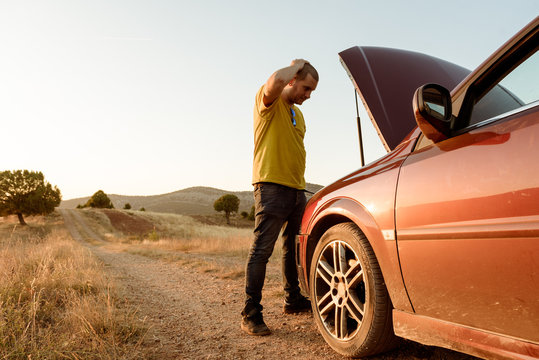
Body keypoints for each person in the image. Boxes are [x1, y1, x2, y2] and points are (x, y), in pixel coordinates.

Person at [241, 59, 319, 336]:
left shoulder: (298, 114)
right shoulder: (269, 103)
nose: (307, 95)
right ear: (293, 79)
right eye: (306, 87)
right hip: (271, 186)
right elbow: (273, 81)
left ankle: (293, 299)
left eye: (311, 92)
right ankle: (251, 312)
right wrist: (296, 65)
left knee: (291, 250)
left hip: (296, 189)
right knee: (262, 249)